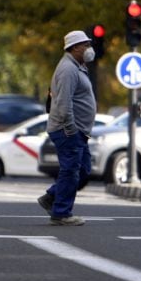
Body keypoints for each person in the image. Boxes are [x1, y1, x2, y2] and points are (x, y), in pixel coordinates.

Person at [37, 30, 96, 226]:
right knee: (70, 171)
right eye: (85, 45)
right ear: (75, 47)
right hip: (68, 130)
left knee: (83, 170)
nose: (89, 48)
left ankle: (51, 197)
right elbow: (63, 103)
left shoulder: (78, 67)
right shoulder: (68, 69)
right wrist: (71, 129)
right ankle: (61, 213)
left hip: (77, 131)